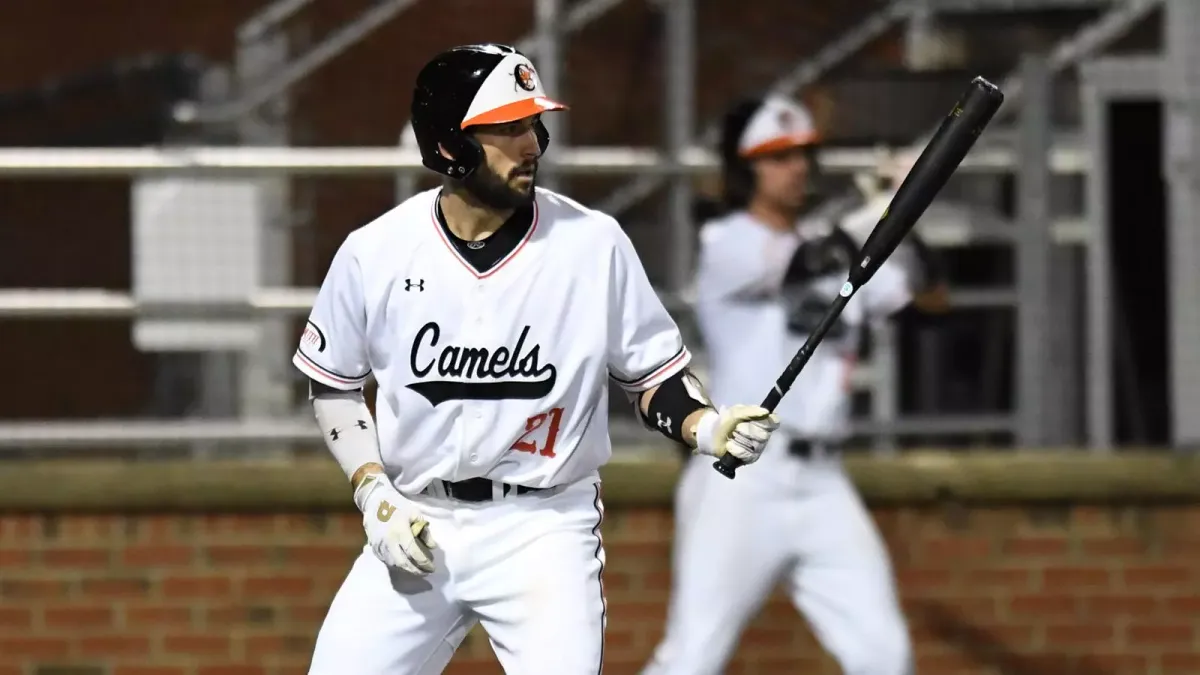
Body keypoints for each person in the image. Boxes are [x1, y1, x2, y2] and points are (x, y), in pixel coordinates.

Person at [293, 43, 781, 675]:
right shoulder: (375, 250)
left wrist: (708, 427)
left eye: (533, 124)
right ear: (448, 144)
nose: (531, 145)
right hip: (417, 516)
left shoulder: (591, 242)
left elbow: (653, 378)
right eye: (507, 127)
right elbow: (333, 386)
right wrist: (372, 492)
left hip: (542, 526)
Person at [641, 95, 938, 675]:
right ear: (745, 168)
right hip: (742, 476)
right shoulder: (727, 242)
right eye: (777, 157)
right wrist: (883, 211)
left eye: (802, 154)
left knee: (885, 657)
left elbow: (929, 303)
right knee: (693, 658)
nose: (796, 167)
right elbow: (806, 260)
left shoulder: (838, 246)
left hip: (823, 481)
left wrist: (913, 210)